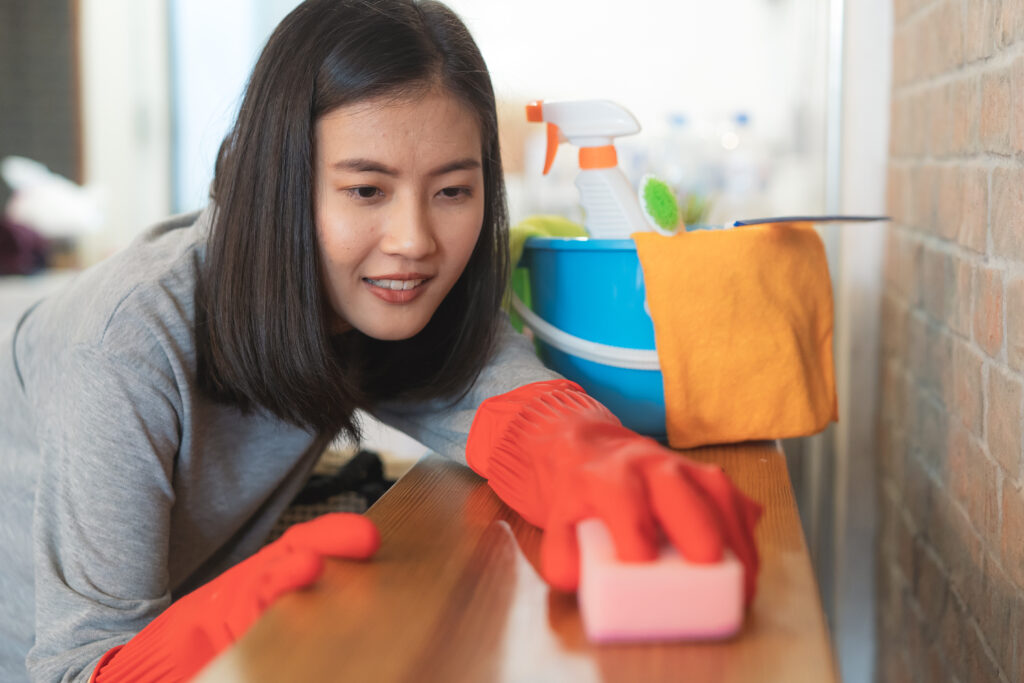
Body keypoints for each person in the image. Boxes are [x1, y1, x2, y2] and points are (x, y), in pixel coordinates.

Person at [0, 1, 761, 681]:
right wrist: (204, 630)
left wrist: (589, 449)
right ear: (281, 184)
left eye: (453, 191)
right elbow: (75, 661)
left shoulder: (366, 293)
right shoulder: (124, 347)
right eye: (366, 189)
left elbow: (491, 393)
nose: (414, 240)